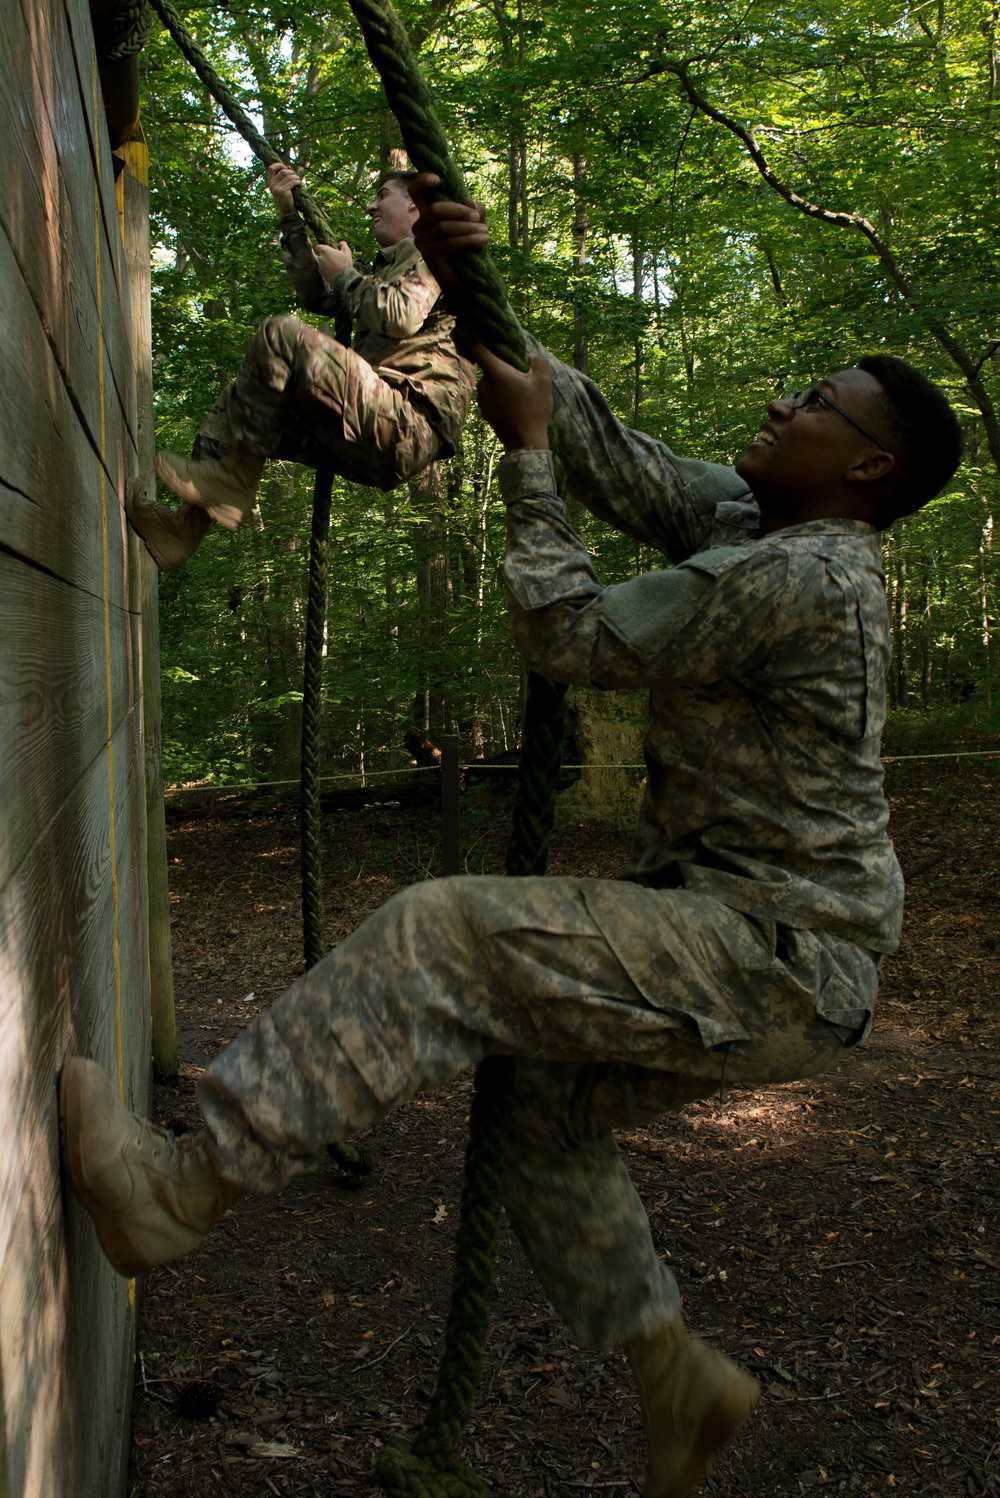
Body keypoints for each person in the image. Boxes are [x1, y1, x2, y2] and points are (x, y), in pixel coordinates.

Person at [61, 180, 963, 1498]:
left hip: (776, 948)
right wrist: (476, 291)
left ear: (869, 468)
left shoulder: (807, 577)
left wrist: (527, 466)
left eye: (817, 404)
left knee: (451, 928)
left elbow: (566, 634)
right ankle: (672, 1372)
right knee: (541, 1113)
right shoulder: (756, 520)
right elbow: (616, 448)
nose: (783, 404)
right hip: (780, 950)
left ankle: (182, 1189)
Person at [127, 166, 475, 572]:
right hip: (369, 429)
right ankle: (183, 532)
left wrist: (345, 273)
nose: (371, 206)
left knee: (281, 335)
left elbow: (398, 315)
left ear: (414, 201)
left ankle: (233, 481)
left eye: (382, 195)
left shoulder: (436, 254)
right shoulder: (383, 271)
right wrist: (288, 213)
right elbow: (317, 294)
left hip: (407, 421)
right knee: (240, 398)